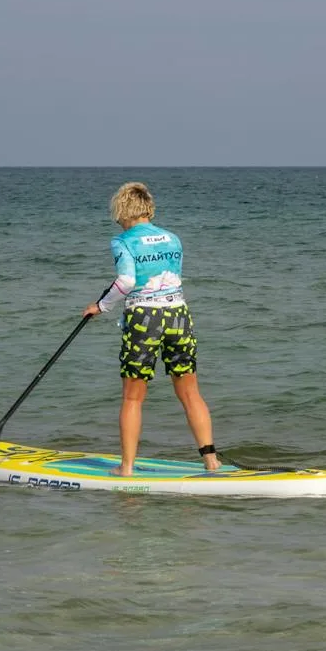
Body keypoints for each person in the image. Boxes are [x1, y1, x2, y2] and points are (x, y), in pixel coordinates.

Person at [81, 182, 222, 476]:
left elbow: (127, 282)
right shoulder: (172, 238)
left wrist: (100, 306)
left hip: (145, 318)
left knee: (133, 397)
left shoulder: (122, 241)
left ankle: (127, 468)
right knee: (190, 393)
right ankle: (211, 461)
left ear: (123, 209)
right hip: (178, 314)